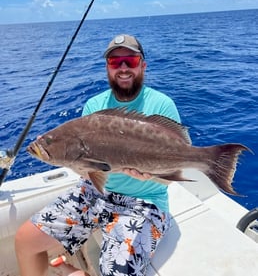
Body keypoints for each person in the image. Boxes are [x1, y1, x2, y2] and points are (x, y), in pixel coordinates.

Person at [15, 34, 181, 276]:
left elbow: (170, 177)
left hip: (146, 202)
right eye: (115, 62)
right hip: (95, 192)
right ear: (107, 68)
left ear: (143, 65)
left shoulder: (162, 105)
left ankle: (74, 272)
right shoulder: (93, 107)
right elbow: (86, 168)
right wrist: (54, 151)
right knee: (25, 241)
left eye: (131, 60)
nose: (123, 68)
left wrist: (151, 176)